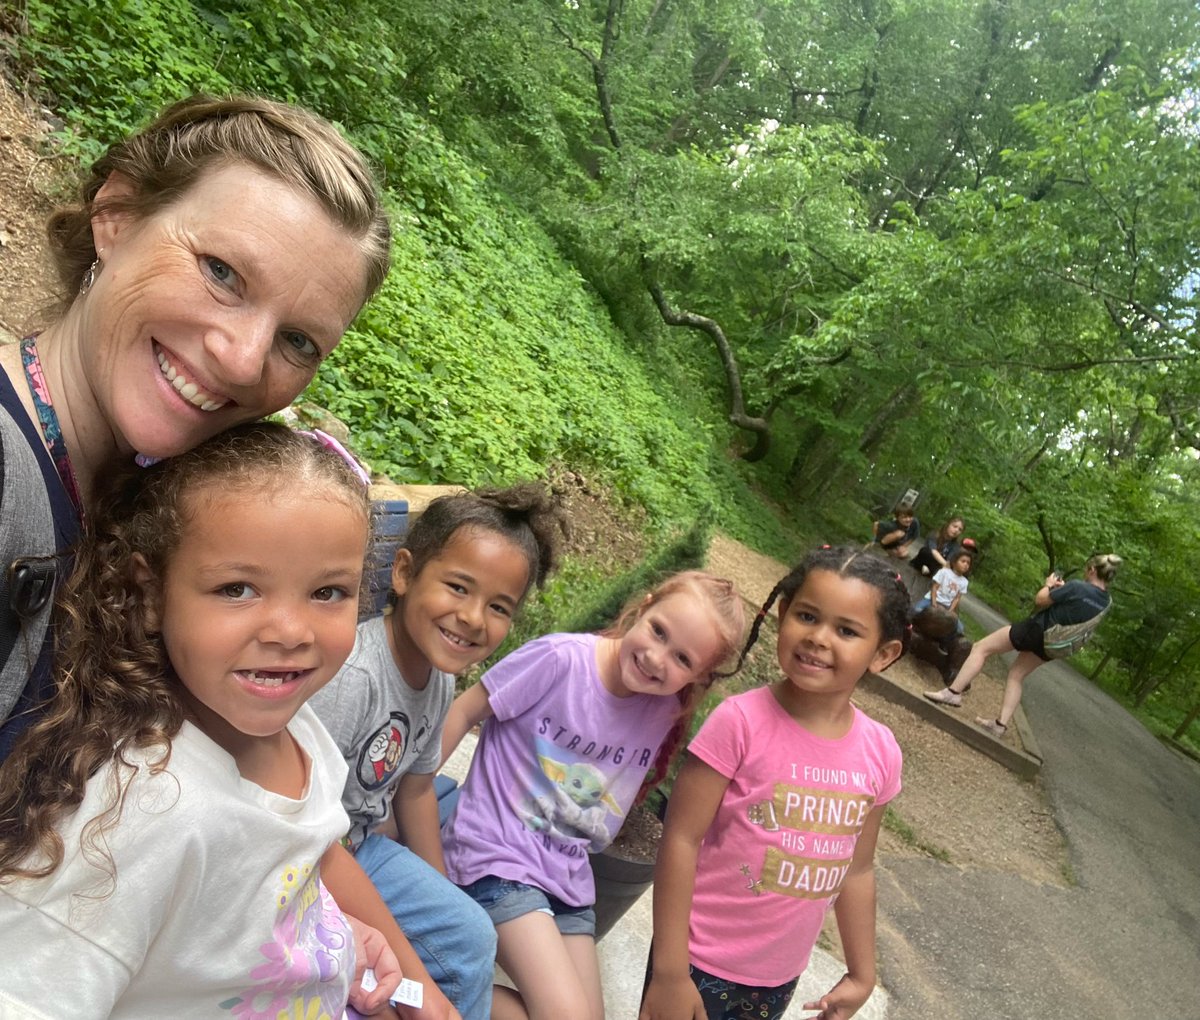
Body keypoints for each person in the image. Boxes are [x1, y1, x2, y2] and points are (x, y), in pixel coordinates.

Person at [0, 93, 391, 756]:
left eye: (297, 341)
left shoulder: (150, 508)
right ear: (116, 216)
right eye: (221, 273)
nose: (242, 362)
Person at [0, 423, 405, 1017]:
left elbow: (300, 858)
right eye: (237, 588)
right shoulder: (136, 818)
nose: (291, 632)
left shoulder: (300, 733)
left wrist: (330, 937)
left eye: (327, 592)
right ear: (150, 595)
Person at [311, 485, 569, 1020]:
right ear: (404, 574)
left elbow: (418, 788)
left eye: (499, 607)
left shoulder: (438, 682)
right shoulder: (356, 676)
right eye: (458, 586)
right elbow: (304, 821)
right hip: (308, 855)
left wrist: (440, 891)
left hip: (360, 846)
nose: (474, 618)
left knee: (472, 931)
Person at [439, 571, 747, 1020]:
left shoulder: (662, 709)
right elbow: (466, 708)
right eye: (658, 631)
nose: (657, 658)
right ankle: (427, 980)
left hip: (566, 877)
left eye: (682, 658)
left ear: (699, 677)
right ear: (643, 608)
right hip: (495, 855)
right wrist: (407, 793)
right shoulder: (560, 660)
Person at [639, 545, 909, 1020]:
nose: (818, 638)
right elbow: (681, 838)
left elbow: (859, 868)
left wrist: (862, 974)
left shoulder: (881, 752)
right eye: (807, 616)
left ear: (882, 654)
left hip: (778, 977)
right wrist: (669, 973)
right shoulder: (739, 722)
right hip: (696, 963)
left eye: (847, 630)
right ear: (783, 615)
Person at [924, 553, 1121, 738]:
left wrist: (1049, 585)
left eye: (1088, 569)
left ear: (1093, 570)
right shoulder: (1106, 602)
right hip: (1054, 644)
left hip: (1037, 630)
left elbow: (1041, 599)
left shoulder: (1079, 586)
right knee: (1017, 675)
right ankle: (1000, 725)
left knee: (982, 648)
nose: (1086, 573)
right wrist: (1061, 591)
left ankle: (953, 693)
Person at [911, 549, 973, 638]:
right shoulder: (944, 572)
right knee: (916, 610)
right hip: (931, 599)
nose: (966, 565)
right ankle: (911, 627)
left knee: (959, 628)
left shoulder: (964, 582)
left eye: (968, 563)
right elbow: (934, 587)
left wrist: (950, 610)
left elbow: (957, 598)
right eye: (963, 561)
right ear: (954, 562)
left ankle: (946, 642)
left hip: (946, 605)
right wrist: (934, 603)